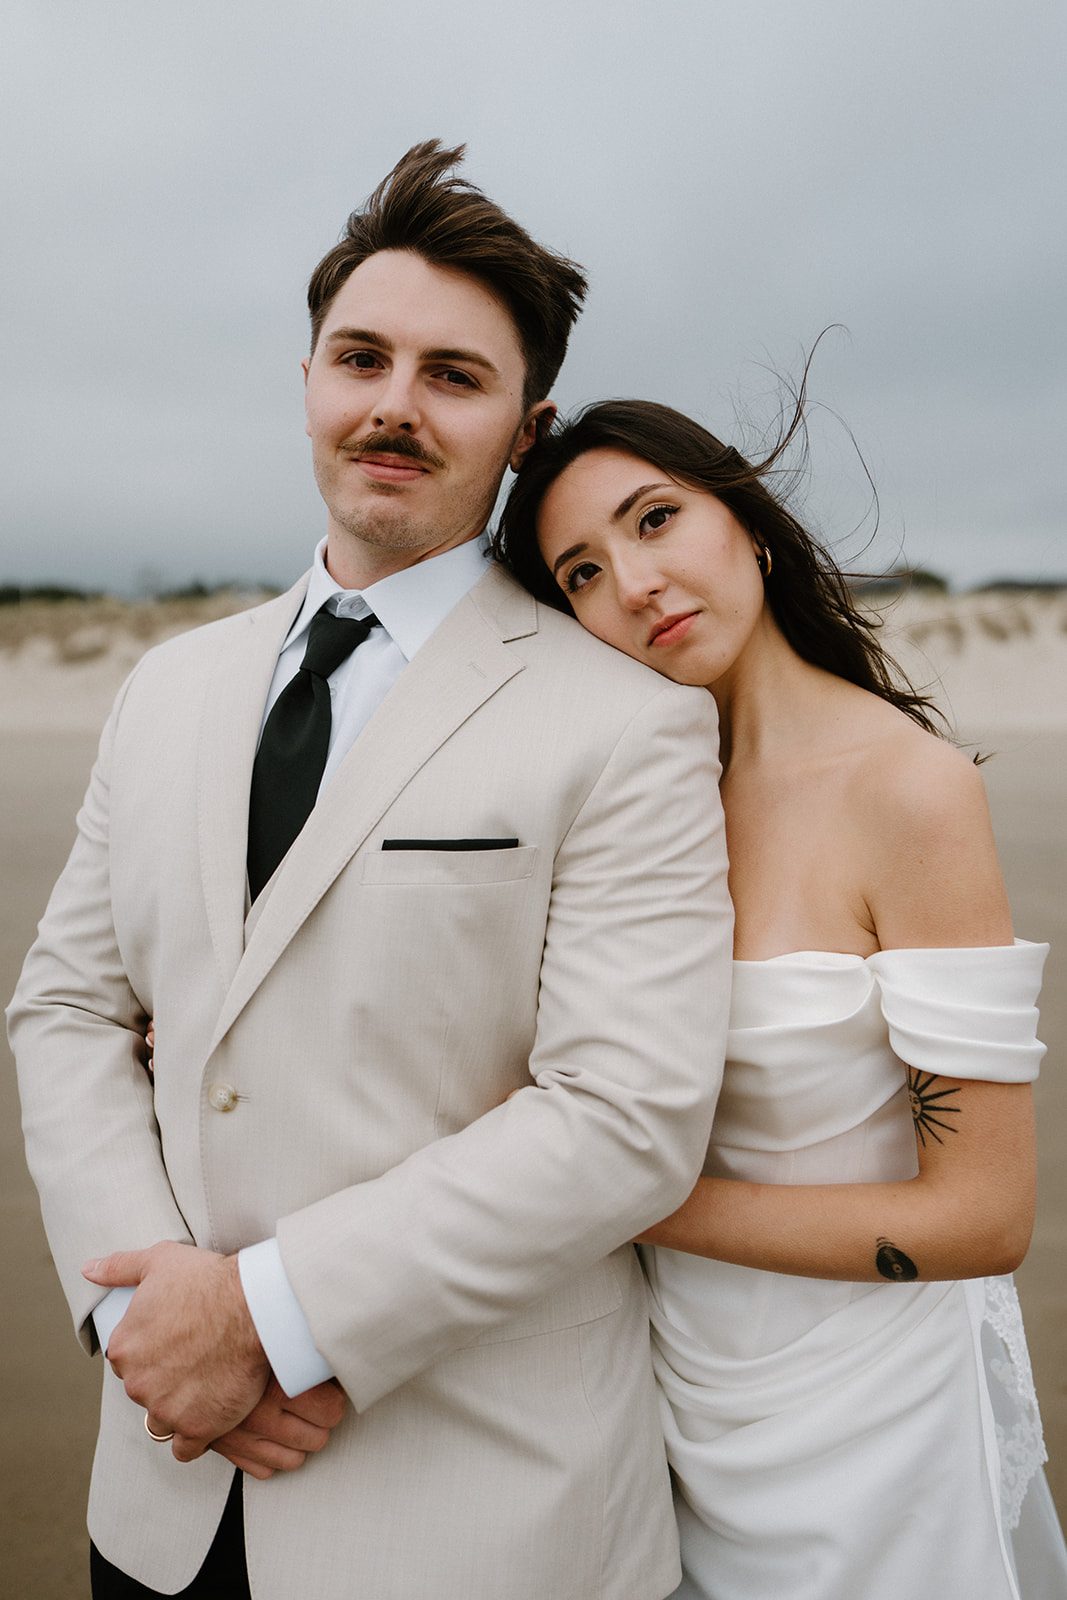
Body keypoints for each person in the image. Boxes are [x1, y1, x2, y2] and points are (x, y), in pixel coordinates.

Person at [8, 149, 734, 1599]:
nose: (395, 403)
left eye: (452, 375)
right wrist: (151, 1310)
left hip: (474, 1524)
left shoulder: (631, 726)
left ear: (520, 428)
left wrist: (272, 1317)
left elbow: (623, 1115)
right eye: (362, 358)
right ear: (308, 381)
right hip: (158, 1499)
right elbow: (66, 1011)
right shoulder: (166, 685)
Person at [495, 397, 1067, 1600]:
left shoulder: (907, 792)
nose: (637, 582)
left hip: (872, 1425)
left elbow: (980, 1215)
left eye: (656, 519)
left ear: (747, 524)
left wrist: (636, 1199)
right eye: (583, 571)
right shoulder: (636, 804)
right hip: (665, 1395)